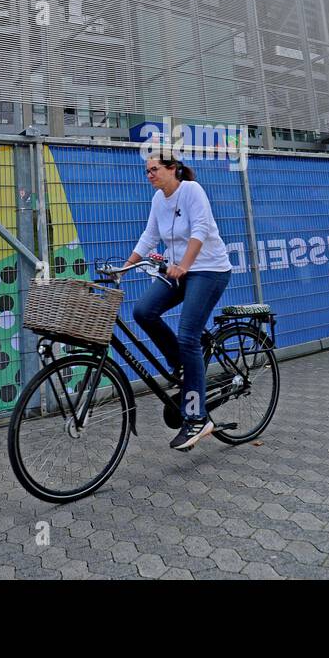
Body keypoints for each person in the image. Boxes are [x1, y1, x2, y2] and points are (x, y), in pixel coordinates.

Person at [123, 155, 232, 451]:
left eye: (154, 169)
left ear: (173, 169)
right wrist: (124, 267)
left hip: (208, 269)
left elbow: (200, 231)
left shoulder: (191, 191)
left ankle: (197, 418)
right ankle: (182, 365)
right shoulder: (159, 199)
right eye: (146, 171)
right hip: (179, 271)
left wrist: (183, 264)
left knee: (188, 336)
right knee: (143, 311)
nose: (149, 175)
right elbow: (150, 236)